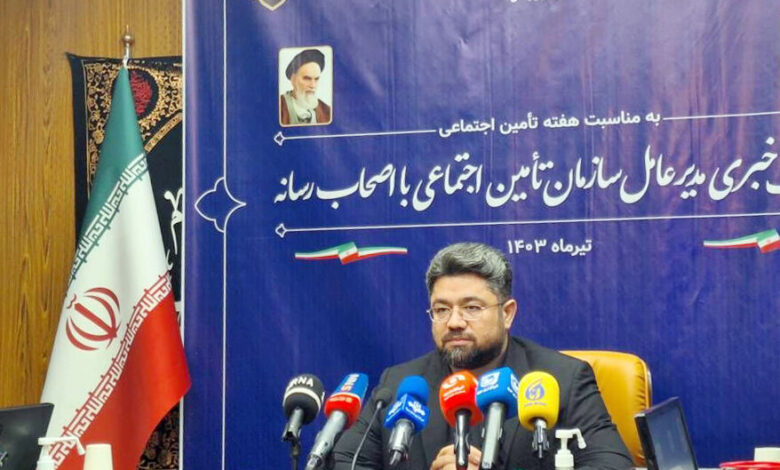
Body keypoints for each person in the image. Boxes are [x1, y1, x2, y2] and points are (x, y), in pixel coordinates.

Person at [332, 242, 632, 470]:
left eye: (471, 308)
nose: (454, 322)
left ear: (507, 313)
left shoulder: (564, 379)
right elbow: (345, 463)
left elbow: (613, 464)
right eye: (441, 309)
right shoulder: (399, 385)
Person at [280, 48, 332, 126]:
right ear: (293, 79)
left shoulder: (326, 111)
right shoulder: (279, 106)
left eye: (316, 79)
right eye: (307, 78)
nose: (313, 85)